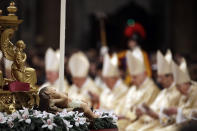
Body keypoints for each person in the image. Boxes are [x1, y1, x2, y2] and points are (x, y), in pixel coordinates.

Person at [126, 50, 181, 131]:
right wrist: (145, 112)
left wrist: (154, 115)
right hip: (150, 122)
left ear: (171, 77)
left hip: (166, 126)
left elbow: (174, 120)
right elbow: (151, 112)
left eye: (161, 78)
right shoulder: (163, 93)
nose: (158, 81)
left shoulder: (178, 93)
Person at [116, 47, 160, 131]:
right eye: (131, 77)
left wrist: (125, 116)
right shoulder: (133, 88)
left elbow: (143, 113)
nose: (132, 80)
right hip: (128, 120)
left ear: (144, 73)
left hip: (143, 122)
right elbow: (125, 107)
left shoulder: (152, 89)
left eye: (134, 77)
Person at [153, 59, 197, 131]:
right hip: (176, 125)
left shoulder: (195, 92)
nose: (177, 89)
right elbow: (174, 118)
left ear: (187, 83)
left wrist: (179, 111)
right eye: (176, 86)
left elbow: (195, 113)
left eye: (179, 86)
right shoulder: (182, 95)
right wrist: (166, 116)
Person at [118, 19, 152, 86]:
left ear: (137, 42)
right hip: (128, 82)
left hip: (140, 82)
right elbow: (115, 59)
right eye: (129, 41)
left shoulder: (143, 54)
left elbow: (148, 71)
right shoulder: (125, 53)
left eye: (132, 41)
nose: (130, 43)